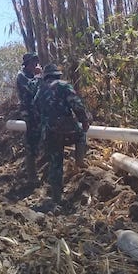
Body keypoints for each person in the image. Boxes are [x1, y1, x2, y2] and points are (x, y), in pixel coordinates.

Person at [33, 64, 90, 205]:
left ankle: (56, 197)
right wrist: (84, 120)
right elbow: (76, 104)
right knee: (81, 134)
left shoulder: (40, 90)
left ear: (46, 76)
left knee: (55, 163)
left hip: (49, 133)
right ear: (57, 75)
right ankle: (79, 160)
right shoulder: (64, 86)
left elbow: (35, 109)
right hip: (67, 129)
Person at [16, 52, 43, 183]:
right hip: (29, 113)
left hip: (39, 113)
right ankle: (32, 177)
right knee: (31, 143)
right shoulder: (22, 76)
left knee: (40, 142)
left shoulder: (34, 76)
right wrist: (38, 76)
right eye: (33, 62)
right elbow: (32, 89)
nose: (36, 65)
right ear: (27, 64)